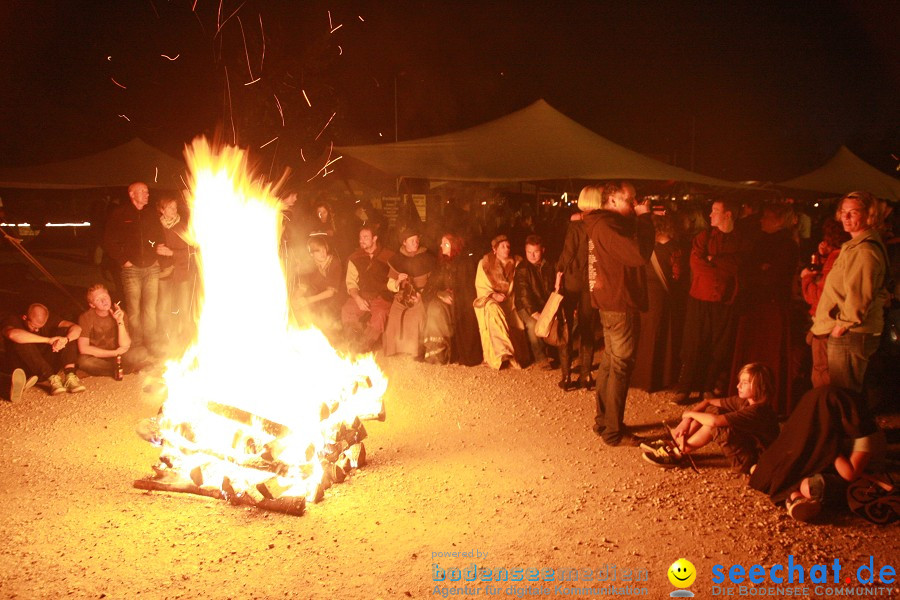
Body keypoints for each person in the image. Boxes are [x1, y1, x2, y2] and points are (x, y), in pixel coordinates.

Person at [581, 182, 655, 446]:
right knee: (619, 367)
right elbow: (638, 254)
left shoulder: (602, 223)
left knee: (611, 364)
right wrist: (646, 217)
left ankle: (604, 422)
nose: (635, 205)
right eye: (630, 200)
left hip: (611, 301)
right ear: (611, 200)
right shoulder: (607, 226)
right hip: (619, 304)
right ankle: (613, 430)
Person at [749, 386, 889, 523]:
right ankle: (796, 498)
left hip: (865, 479)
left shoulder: (865, 433)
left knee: (811, 484)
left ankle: (797, 497)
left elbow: (850, 473)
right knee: (776, 469)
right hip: (836, 469)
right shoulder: (834, 425)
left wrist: (828, 446)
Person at [809, 191, 890, 392]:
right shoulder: (856, 247)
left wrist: (842, 326)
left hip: (850, 334)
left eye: (853, 213)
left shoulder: (864, 251)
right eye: (843, 212)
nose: (845, 218)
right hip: (848, 331)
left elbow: (860, 296)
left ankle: (852, 424)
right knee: (844, 393)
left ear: (868, 215)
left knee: (844, 394)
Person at [672, 199, 747, 405]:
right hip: (700, 298)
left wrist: (714, 260)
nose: (711, 214)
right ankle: (684, 387)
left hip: (725, 300)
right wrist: (721, 264)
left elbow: (738, 266)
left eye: (715, 210)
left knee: (719, 345)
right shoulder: (703, 237)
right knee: (693, 342)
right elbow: (697, 264)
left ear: (728, 215)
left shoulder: (740, 239)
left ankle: (708, 387)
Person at [643, 363, 780, 474]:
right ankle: (675, 443)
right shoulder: (746, 401)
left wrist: (688, 414)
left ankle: (678, 452)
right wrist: (685, 422)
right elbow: (708, 402)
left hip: (750, 462)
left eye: (744, 383)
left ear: (758, 386)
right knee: (711, 411)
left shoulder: (758, 411)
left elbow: (715, 421)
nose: (738, 386)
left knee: (716, 424)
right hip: (747, 447)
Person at [729, 203, 799, 415]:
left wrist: (760, 271)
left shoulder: (787, 244)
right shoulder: (762, 241)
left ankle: (770, 401)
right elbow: (746, 269)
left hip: (772, 308)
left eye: (766, 216)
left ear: (778, 220)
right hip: (756, 306)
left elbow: (773, 277)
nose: (761, 220)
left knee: (770, 353)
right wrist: (758, 269)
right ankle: (750, 398)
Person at [103, 182, 169, 353]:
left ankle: (151, 342)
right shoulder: (120, 213)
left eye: (147, 192)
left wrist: (158, 255)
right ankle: (137, 343)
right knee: (133, 309)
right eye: (143, 192)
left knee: (150, 308)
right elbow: (108, 240)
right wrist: (124, 260)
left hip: (151, 267)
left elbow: (159, 237)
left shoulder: (151, 214)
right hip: (131, 269)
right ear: (132, 194)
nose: (147, 194)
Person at [631, 214, 688, 393]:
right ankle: (663, 377)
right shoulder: (677, 249)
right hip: (667, 298)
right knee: (666, 336)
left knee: (648, 337)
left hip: (649, 297)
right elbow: (679, 277)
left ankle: (646, 378)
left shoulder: (648, 249)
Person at [801, 217, 851, 387]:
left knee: (822, 376)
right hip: (836, 324)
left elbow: (818, 297)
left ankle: (825, 411)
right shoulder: (848, 255)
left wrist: (806, 278)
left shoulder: (836, 259)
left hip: (826, 326)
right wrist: (823, 258)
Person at [422, 233, 482, 365]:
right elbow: (430, 287)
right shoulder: (441, 264)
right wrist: (439, 293)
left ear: (454, 246)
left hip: (461, 305)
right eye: (442, 243)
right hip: (443, 302)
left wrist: (457, 297)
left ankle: (451, 353)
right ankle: (438, 355)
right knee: (434, 309)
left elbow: (468, 289)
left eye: (446, 243)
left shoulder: (465, 263)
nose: (441, 245)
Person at [2, 303, 86, 397]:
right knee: (21, 339)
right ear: (25, 317)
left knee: (66, 333)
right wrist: (48, 340)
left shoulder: (50, 319)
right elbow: (12, 334)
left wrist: (65, 340)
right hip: (22, 366)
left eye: (40, 327)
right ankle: (49, 378)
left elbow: (77, 328)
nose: (37, 330)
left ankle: (70, 376)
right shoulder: (12, 320)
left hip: (45, 365)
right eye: (34, 326)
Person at [556, 206, 597, 391]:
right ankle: (586, 375)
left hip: (572, 280)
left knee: (566, 327)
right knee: (588, 327)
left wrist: (558, 271)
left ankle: (566, 377)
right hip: (592, 280)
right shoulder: (600, 223)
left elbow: (568, 253)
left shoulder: (576, 225)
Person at [473, 234, 526, 370]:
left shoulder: (517, 262)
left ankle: (507, 355)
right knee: (493, 311)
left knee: (513, 317)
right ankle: (503, 353)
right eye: (502, 246)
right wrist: (493, 295)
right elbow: (481, 287)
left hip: (511, 301)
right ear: (495, 249)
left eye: (508, 246)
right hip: (489, 301)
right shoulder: (484, 264)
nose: (506, 249)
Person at [341, 226, 395, 353]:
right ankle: (352, 343)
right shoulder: (355, 258)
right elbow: (351, 282)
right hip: (362, 296)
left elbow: (394, 281)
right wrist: (357, 298)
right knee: (347, 310)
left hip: (382, 297)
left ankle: (362, 348)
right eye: (360, 237)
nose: (362, 240)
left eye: (365, 237)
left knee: (380, 316)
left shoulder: (389, 257)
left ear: (375, 238)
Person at [383, 228, 436, 357]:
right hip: (402, 296)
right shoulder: (397, 259)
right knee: (395, 316)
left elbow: (434, 282)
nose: (415, 243)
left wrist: (422, 296)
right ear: (404, 242)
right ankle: (395, 349)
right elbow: (390, 284)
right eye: (412, 240)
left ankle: (413, 351)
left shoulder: (427, 258)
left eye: (417, 240)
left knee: (414, 318)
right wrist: (397, 281)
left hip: (421, 296)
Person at [76, 284, 149, 376]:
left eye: (105, 296)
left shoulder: (120, 313)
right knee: (83, 362)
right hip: (97, 356)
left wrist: (120, 321)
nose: (104, 301)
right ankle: (124, 369)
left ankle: (114, 370)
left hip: (120, 355)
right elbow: (83, 348)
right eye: (98, 299)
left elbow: (125, 345)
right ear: (92, 305)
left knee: (141, 352)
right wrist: (114, 353)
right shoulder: (85, 317)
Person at [156, 196, 195, 354]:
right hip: (164, 274)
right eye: (170, 207)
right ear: (162, 210)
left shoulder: (183, 227)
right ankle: (165, 339)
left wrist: (172, 252)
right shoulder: (157, 228)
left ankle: (185, 340)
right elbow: (151, 247)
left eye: (175, 207)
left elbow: (193, 250)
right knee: (163, 307)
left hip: (182, 273)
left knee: (184, 308)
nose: (174, 210)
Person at [514, 234, 556, 369]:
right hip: (526, 307)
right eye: (529, 252)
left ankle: (556, 351)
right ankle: (541, 358)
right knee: (533, 325)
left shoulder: (549, 265)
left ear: (543, 250)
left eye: (536, 252)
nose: (532, 256)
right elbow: (524, 294)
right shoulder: (522, 268)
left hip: (544, 304)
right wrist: (534, 312)